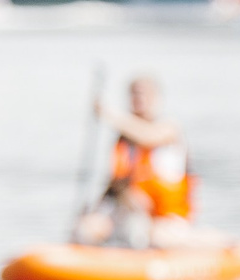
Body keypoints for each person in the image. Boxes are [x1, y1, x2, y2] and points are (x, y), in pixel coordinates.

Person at [74, 75, 201, 248]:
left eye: (144, 94)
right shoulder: (124, 139)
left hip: (166, 218)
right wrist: (94, 211)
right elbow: (115, 183)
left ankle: (208, 243)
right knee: (88, 228)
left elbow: (148, 136)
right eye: (134, 94)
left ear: (156, 97)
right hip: (130, 214)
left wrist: (108, 114)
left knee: (157, 237)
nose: (139, 99)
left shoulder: (169, 128)